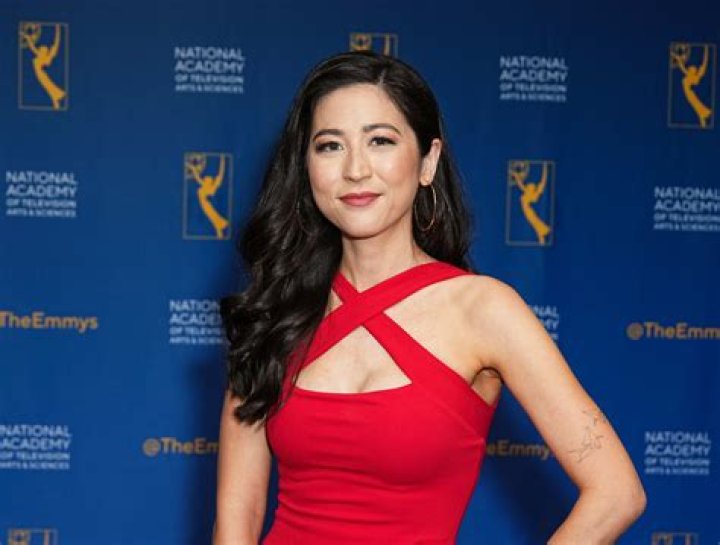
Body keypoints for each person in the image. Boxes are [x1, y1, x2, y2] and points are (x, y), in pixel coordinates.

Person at [213, 51, 646, 545]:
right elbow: (236, 519)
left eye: (380, 140)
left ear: (427, 161)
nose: (355, 169)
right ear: (306, 167)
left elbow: (617, 493)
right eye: (330, 146)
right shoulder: (274, 309)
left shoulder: (484, 310)